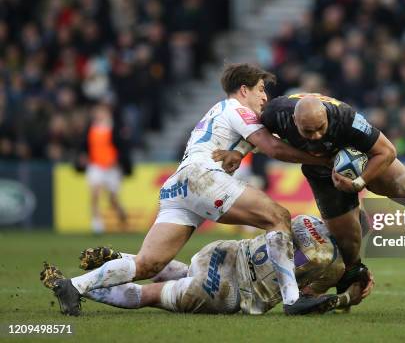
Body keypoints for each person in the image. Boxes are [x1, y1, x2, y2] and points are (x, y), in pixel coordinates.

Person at [45, 63, 338, 316]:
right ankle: (292, 299)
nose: (265, 96)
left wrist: (240, 154)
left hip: (179, 184)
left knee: (149, 264)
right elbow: (273, 147)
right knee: (278, 217)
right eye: (261, 89)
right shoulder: (236, 107)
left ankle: (74, 286)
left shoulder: (224, 113)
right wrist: (324, 159)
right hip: (201, 177)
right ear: (244, 89)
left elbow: (254, 144)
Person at [214, 93, 405, 293]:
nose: (316, 136)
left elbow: (387, 152)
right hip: (322, 171)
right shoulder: (276, 113)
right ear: (293, 123)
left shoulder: (347, 119)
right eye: (307, 132)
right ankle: (350, 279)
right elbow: (256, 134)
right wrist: (239, 152)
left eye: (320, 128)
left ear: (326, 118)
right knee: (348, 242)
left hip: (361, 156)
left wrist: (360, 182)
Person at [41, 215, 366, 315]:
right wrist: (348, 295)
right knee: (149, 295)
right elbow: (309, 297)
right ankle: (73, 284)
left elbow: (284, 240)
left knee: (160, 267)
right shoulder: (333, 265)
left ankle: (121, 259)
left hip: (223, 253)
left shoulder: (306, 218)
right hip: (230, 292)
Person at [77, 103, 130, 233]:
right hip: (95, 165)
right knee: (95, 193)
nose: (99, 115)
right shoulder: (91, 128)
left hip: (112, 167)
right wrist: (83, 156)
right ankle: (97, 224)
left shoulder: (115, 128)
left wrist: (118, 160)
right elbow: (85, 145)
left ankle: (122, 216)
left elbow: (122, 147)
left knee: (112, 199)